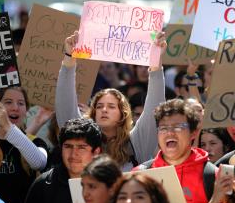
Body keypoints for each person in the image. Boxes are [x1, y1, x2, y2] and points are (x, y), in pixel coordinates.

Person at [56, 31, 167, 170]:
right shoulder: (80, 137)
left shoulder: (137, 142)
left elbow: (154, 108)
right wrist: (69, 58)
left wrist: (156, 65)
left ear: (123, 114)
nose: (104, 110)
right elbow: (65, 105)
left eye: (111, 106)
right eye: (99, 106)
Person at [135, 98, 216, 203]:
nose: (169, 133)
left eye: (178, 127)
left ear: (193, 133)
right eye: (163, 128)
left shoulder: (213, 176)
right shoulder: (139, 175)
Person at [0, 87, 48, 203]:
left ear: (26, 110)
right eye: (8, 102)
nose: (15, 107)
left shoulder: (35, 142)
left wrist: (7, 126)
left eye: (21, 103)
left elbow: (39, 162)